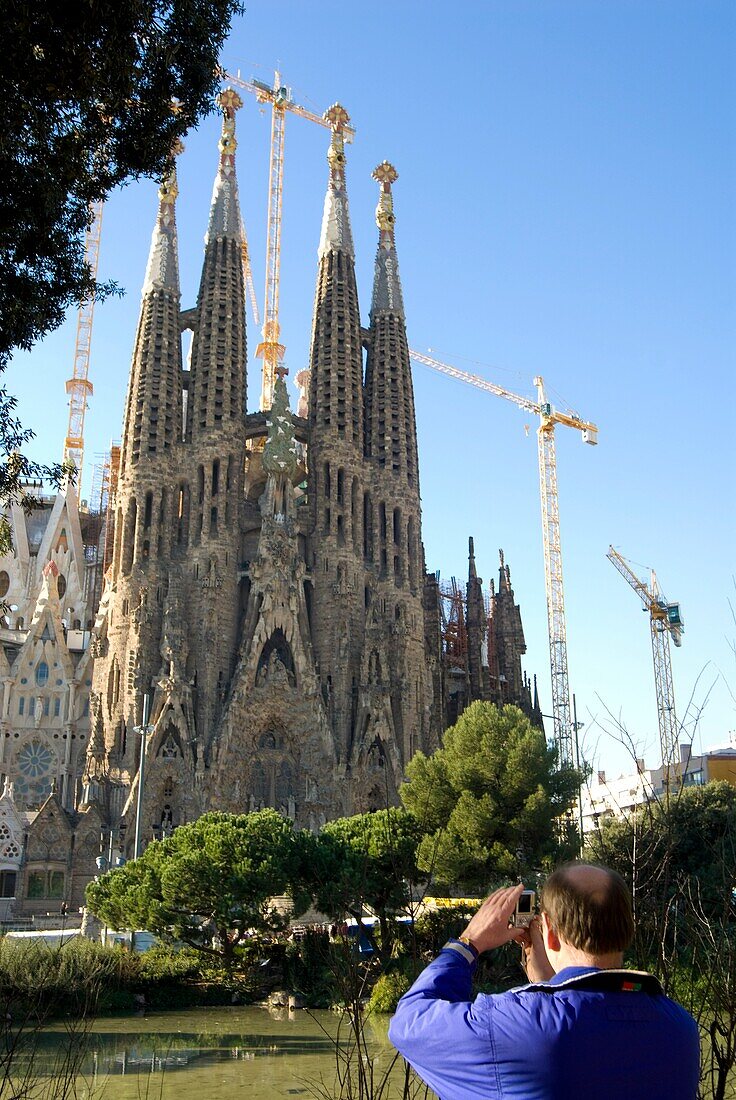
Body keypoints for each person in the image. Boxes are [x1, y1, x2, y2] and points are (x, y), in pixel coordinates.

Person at [389, 862, 699, 1100]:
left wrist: (469, 943)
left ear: (547, 929)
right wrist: (549, 986)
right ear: (628, 927)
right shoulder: (680, 1028)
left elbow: (408, 1022)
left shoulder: (508, 1026)